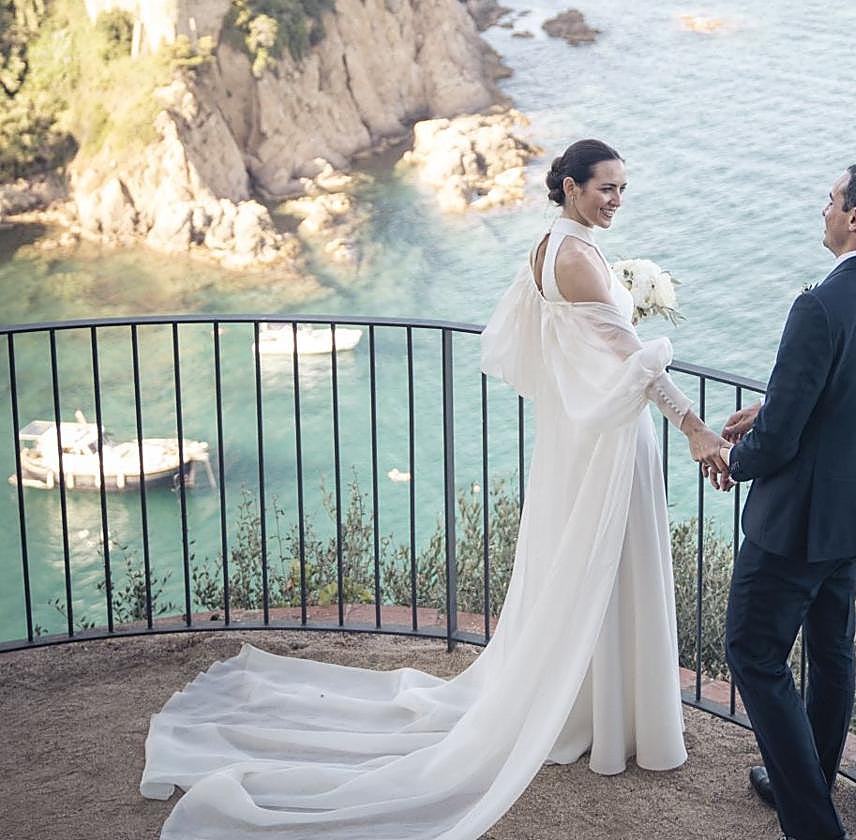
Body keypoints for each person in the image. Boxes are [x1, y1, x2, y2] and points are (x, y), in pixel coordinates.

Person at [138, 139, 730, 839]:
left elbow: (549, 346)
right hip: (607, 444)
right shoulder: (573, 257)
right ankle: (605, 716)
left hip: (580, 438)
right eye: (605, 188)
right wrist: (695, 427)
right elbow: (634, 364)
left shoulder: (549, 246)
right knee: (602, 567)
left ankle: (595, 710)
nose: (617, 200)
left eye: (623, 188)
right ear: (569, 186)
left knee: (582, 571)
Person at [717, 163, 856, 840]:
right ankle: (800, 780)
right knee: (832, 653)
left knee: (753, 653)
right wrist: (775, 405)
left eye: (832, 200)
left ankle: (813, 824)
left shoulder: (819, 305)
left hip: (798, 520)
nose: (824, 209)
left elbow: (778, 443)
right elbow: (850, 395)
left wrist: (734, 460)